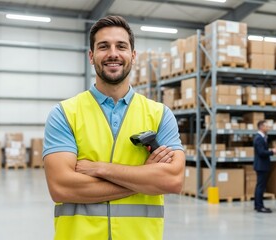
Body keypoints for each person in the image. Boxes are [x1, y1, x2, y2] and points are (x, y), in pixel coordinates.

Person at [42, 15, 185, 240]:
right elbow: (62, 187)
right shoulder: (65, 114)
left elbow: (173, 181)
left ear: (133, 55)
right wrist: (146, 178)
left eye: (121, 46)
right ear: (91, 56)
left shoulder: (159, 115)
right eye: (103, 47)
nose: (113, 53)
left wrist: (101, 169)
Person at [253, 120, 276, 213]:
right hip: (261, 165)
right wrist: (273, 152)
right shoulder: (259, 138)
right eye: (266, 126)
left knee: (260, 186)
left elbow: (262, 150)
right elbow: (261, 152)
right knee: (261, 186)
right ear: (261, 127)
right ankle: (260, 206)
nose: (268, 128)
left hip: (262, 165)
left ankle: (257, 205)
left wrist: (270, 149)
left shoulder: (262, 137)